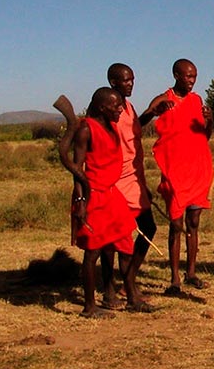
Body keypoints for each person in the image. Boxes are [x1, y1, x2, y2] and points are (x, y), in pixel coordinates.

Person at [71, 87, 143, 317]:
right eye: (115, 106)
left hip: (112, 195)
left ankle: (132, 297)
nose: (120, 109)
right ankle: (89, 307)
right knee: (93, 252)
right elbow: (77, 169)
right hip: (93, 196)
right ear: (102, 107)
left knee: (125, 244)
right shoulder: (85, 129)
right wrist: (81, 202)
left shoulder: (111, 126)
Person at [146, 59, 213, 295]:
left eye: (194, 76)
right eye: (188, 76)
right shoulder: (164, 99)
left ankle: (191, 273)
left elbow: (205, 135)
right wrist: (154, 111)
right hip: (175, 170)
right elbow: (140, 122)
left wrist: (211, 118)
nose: (192, 81)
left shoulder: (196, 101)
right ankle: (174, 278)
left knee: (193, 223)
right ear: (176, 75)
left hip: (198, 168)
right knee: (176, 224)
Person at [99, 63, 157, 309]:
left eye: (132, 79)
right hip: (116, 180)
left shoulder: (128, 107)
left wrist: (150, 113)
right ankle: (112, 290)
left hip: (134, 177)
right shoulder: (110, 110)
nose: (131, 84)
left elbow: (132, 134)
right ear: (113, 82)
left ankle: (128, 280)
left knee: (148, 227)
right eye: (125, 80)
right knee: (114, 238)